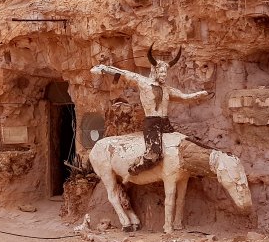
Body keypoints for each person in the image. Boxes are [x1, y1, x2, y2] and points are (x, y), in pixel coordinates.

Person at [91, 45, 213, 174]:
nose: (164, 75)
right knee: (154, 154)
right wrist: (103, 68)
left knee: (184, 142)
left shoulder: (167, 89)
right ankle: (133, 170)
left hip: (165, 123)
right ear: (154, 70)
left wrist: (200, 95)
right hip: (152, 123)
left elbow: (184, 97)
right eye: (161, 72)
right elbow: (125, 74)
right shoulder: (143, 83)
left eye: (165, 73)